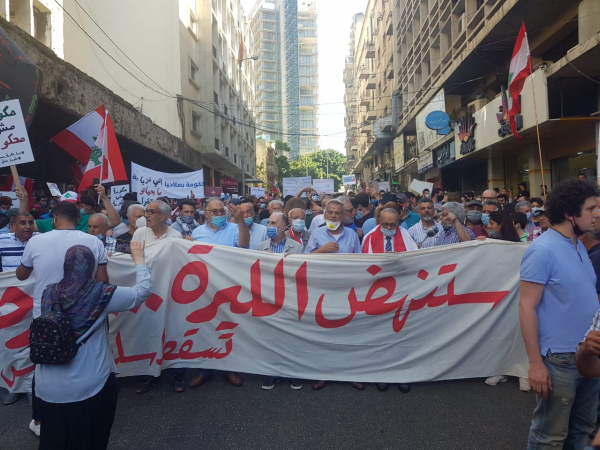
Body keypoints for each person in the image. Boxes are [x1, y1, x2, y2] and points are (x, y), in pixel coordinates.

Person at [33, 243, 151, 450]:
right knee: (92, 441)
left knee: (54, 442)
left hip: (46, 388)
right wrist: (139, 260)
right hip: (89, 387)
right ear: (92, 268)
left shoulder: (48, 292)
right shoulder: (101, 295)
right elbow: (142, 291)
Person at [16, 201, 109, 436]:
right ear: (78, 219)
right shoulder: (93, 242)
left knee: (44, 366)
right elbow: (103, 281)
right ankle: (83, 413)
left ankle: (40, 420)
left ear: (55, 218)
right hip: (84, 314)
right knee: (82, 362)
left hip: (46, 316)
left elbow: (21, 275)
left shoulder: (36, 241)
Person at [519, 179, 600, 449]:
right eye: (590, 209)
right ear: (569, 213)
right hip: (558, 360)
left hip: (588, 356)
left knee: (583, 431)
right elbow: (526, 307)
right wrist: (535, 364)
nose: (597, 214)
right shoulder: (542, 250)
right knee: (549, 437)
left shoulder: (578, 245)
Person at [189, 198, 246, 389]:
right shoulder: (197, 232)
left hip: (228, 286)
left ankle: (229, 369)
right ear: (206, 213)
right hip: (203, 288)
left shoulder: (234, 228)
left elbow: (244, 244)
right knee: (203, 328)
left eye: (222, 211)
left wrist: (240, 221)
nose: (220, 214)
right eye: (215, 211)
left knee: (228, 327)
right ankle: (203, 370)